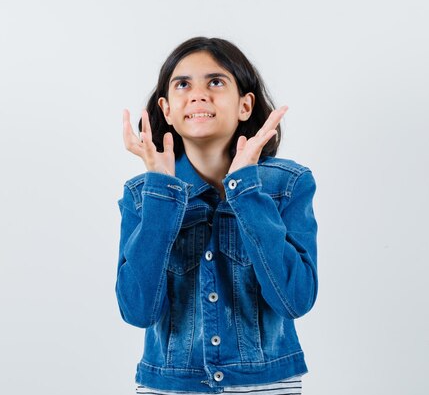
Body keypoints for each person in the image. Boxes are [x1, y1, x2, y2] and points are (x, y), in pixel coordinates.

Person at [116, 37, 318, 394]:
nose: (198, 95)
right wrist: (161, 192)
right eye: (183, 85)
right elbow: (138, 311)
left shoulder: (288, 184)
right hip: (171, 386)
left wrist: (245, 190)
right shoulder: (140, 194)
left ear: (245, 105)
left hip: (265, 383)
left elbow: (294, 300)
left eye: (215, 82)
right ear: (166, 110)